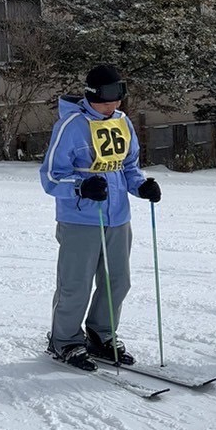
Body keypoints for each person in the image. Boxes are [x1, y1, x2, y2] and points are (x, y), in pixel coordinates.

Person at [39, 64, 161, 371]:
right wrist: (81, 186)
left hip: (118, 216)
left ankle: (101, 333)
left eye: (118, 96)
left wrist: (142, 185)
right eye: (106, 97)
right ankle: (64, 340)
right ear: (91, 94)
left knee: (117, 281)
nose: (113, 104)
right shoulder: (71, 125)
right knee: (75, 285)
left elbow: (129, 166)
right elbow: (51, 177)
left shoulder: (121, 121)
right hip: (81, 218)